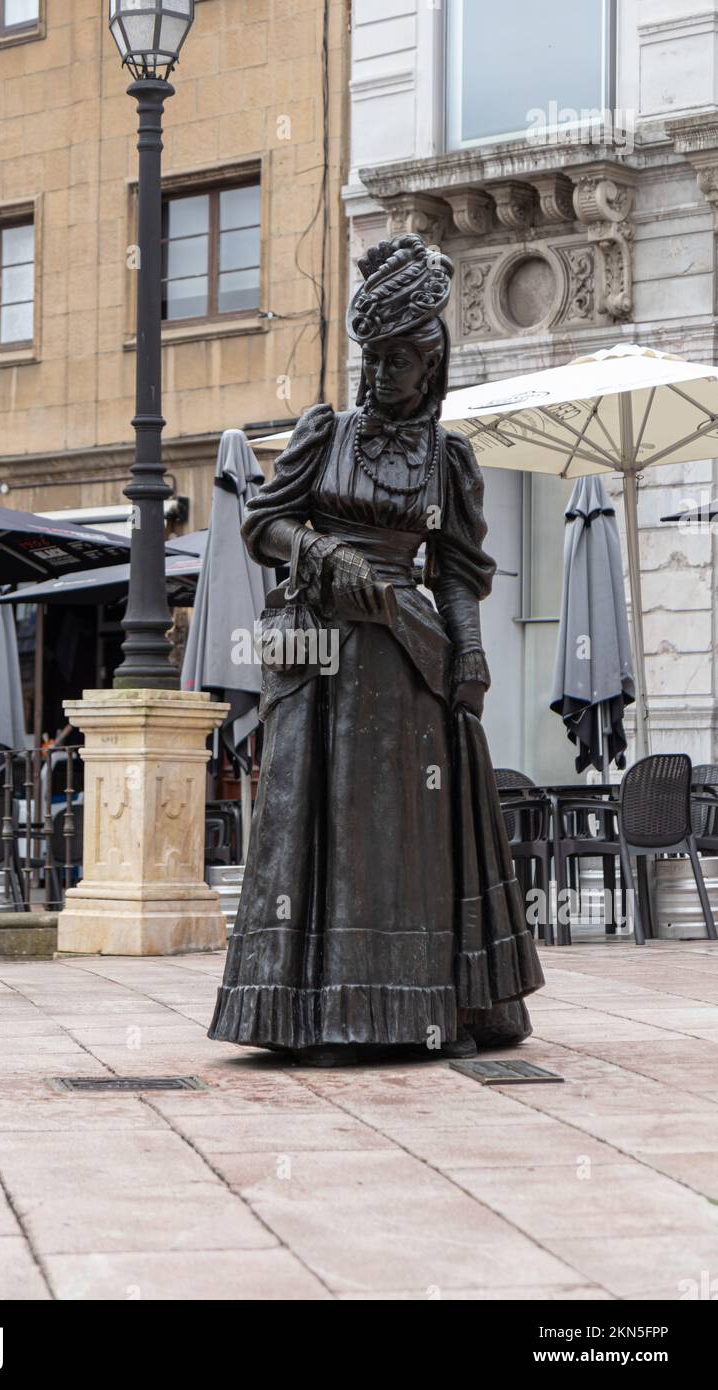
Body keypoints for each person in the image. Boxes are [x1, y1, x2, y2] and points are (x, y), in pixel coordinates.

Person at [208, 235, 544, 1065]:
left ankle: (426, 1006)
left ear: (433, 367)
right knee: (323, 830)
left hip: (409, 664)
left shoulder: (447, 457)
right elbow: (262, 525)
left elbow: (460, 572)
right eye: (376, 358)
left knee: (412, 837)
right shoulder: (325, 434)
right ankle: (320, 1010)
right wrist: (321, 553)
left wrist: (468, 657)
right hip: (323, 660)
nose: (383, 374)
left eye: (401, 361)